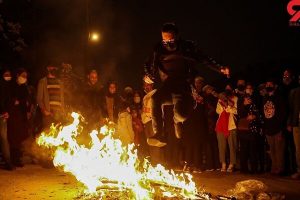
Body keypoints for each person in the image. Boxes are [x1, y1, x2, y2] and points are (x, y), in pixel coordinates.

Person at [144, 22, 222, 147]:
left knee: (181, 115)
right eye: (165, 41)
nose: (168, 44)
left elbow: (204, 58)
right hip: (168, 87)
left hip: (184, 88)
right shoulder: (158, 49)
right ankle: (159, 133)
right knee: (155, 98)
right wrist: (149, 75)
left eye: (171, 40)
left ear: (177, 36)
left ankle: (177, 120)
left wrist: (220, 68)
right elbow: (149, 64)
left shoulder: (187, 47)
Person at [262, 78, 286, 175]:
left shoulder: (279, 97)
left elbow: (283, 112)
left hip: (278, 128)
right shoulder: (264, 98)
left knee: (279, 150)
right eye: (267, 84)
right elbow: (263, 111)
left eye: (270, 84)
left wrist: (280, 126)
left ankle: (280, 169)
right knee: (272, 150)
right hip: (268, 128)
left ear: (274, 86)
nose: (268, 86)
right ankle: (274, 167)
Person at [7, 68, 31, 167]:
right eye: (23, 75)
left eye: (26, 76)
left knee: (20, 138)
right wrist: (14, 102)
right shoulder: (11, 86)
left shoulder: (24, 87)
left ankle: (18, 158)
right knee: (13, 138)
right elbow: (9, 98)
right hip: (13, 115)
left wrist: (27, 109)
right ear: (18, 75)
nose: (24, 78)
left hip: (21, 115)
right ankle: (13, 159)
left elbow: (25, 100)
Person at [215, 84, 238, 172]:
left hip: (231, 125)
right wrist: (223, 104)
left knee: (232, 146)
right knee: (222, 146)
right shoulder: (220, 99)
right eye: (226, 88)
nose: (228, 89)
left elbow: (235, 111)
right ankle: (223, 163)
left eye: (229, 88)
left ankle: (232, 164)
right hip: (221, 125)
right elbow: (218, 111)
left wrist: (228, 106)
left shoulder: (235, 99)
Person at [37, 64, 65, 129]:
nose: (55, 68)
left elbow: (62, 98)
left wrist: (63, 110)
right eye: (53, 67)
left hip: (59, 114)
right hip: (48, 114)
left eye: (56, 67)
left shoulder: (60, 82)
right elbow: (39, 98)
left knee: (59, 135)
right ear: (48, 68)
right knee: (47, 134)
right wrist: (44, 110)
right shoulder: (43, 81)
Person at [0, 68, 15, 170]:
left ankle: (8, 162)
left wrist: (7, 112)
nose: (8, 76)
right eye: (6, 74)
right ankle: (8, 162)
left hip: (3, 115)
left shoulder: (8, 86)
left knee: (4, 138)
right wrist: (4, 111)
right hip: (2, 114)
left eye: (9, 74)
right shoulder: (2, 85)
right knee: (3, 138)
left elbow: (8, 101)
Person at [288, 75, 300, 179]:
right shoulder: (294, 92)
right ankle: (299, 170)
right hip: (297, 124)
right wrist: (290, 123)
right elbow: (291, 109)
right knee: (298, 149)